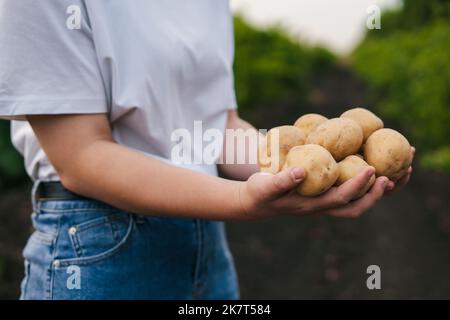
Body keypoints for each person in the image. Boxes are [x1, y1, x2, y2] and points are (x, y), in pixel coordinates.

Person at [0, 0, 412, 300]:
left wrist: (289, 168)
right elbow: (82, 157)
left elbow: (219, 126)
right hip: (98, 248)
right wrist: (241, 199)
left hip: (206, 238)